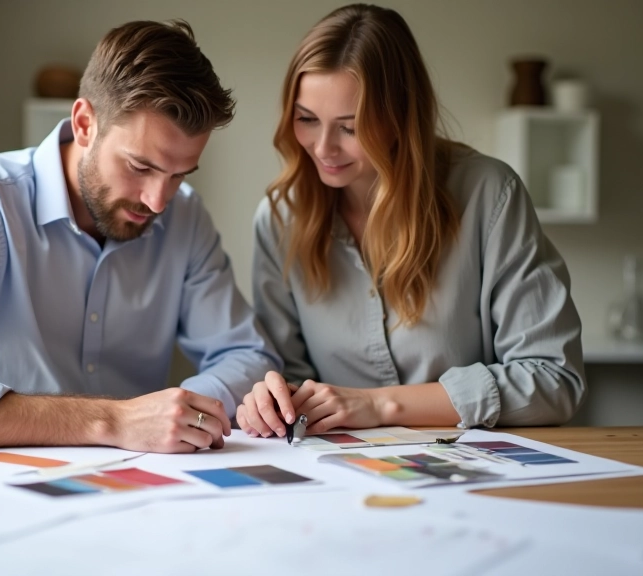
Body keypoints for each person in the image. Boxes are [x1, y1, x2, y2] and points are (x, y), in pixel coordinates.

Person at [0, 20, 280, 453]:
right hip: (6, 479)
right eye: (140, 167)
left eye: (179, 175)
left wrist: (180, 412)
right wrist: (115, 421)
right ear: (84, 123)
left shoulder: (186, 217)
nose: (158, 201)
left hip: (143, 481)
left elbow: (249, 358)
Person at [236, 4, 585, 439]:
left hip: (469, 463)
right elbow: (287, 376)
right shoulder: (280, 219)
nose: (323, 148)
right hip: (337, 466)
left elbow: (554, 380)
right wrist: (272, 400)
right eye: (307, 119)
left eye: (350, 127)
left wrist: (378, 405)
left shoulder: (489, 194)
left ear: (400, 116)